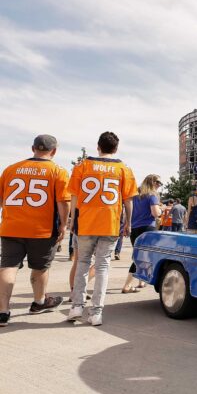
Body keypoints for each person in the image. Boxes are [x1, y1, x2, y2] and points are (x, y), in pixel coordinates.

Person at [0, 134, 70, 326]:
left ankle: (2, 311)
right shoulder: (58, 171)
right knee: (40, 267)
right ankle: (39, 302)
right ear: (54, 151)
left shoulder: (10, 169)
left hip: (11, 226)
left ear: (33, 149)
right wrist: (63, 225)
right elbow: (63, 202)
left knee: (8, 266)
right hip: (42, 229)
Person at [67, 132, 136, 326]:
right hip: (110, 222)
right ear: (116, 148)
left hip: (86, 221)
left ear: (98, 146)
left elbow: (74, 196)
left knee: (82, 263)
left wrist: (72, 219)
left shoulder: (82, 166)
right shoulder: (123, 169)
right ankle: (96, 312)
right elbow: (128, 200)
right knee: (102, 266)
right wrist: (128, 222)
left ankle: (77, 306)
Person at [122, 174, 162, 294]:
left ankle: (141, 281)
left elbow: (126, 212)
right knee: (140, 257)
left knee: (140, 255)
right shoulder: (152, 196)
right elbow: (155, 213)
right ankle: (127, 285)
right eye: (159, 183)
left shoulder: (135, 196)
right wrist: (161, 210)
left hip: (134, 228)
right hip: (148, 228)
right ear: (153, 183)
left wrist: (126, 225)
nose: (160, 186)